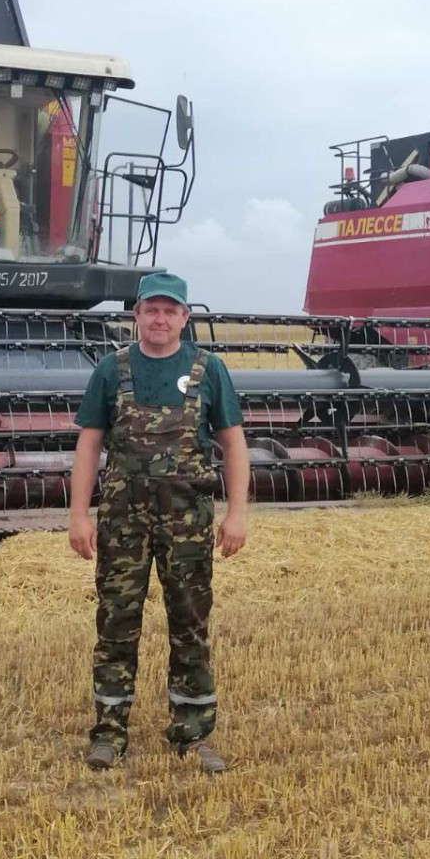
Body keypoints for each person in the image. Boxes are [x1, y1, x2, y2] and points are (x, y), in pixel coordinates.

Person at [68, 271, 249, 773]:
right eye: (152, 309)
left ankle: (193, 734)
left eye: (171, 310)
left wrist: (237, 513)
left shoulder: (209, 370)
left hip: (188, 525)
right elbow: (89, 444)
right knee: (116, 625)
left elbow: (233, 443)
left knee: (190, 625)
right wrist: (79, 515)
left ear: (185, 317)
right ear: (137, 315)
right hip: (123, 523)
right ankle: (109, 733)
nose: (160, 319)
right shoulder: (112, 370)